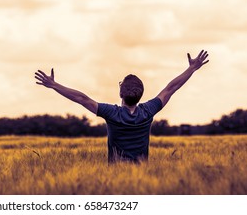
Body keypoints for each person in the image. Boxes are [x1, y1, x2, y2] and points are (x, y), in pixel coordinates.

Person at [34, 50, 209, 163]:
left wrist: (54, 85)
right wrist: (192, 69)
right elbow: (171, 88)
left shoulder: (112, 113)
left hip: (116, 180)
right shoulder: (149, 110)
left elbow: (81, 98)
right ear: (141, 94)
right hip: (143, 178)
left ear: (120, 94)